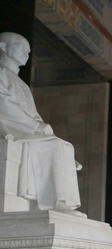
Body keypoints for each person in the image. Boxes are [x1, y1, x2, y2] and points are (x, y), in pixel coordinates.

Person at [0, 32, 82, 215]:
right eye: (22, 47)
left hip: (25, 126)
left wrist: (41, 127)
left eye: (29, 51)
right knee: (55, 146)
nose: (27, 53)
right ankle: (56, 202)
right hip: (9, 126)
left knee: (65, 146)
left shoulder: (22, 84)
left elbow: (33, 114)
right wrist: (35, 126)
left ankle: (62, 203)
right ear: (3, 47)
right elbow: (4, 104)